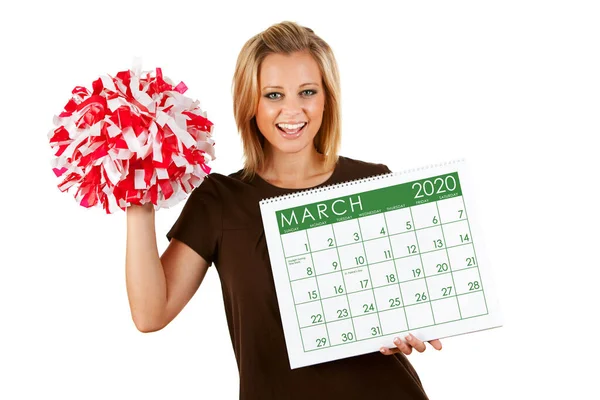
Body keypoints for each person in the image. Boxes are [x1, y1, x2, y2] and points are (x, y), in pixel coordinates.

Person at [125, 21, 442, 400]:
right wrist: (138, 198)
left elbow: (411, 303)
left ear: (327, 98)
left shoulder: (373, 182)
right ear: (250, 104)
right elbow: (150, 314)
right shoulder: (220, 199)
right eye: (273, 95)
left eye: (307, 91)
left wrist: (411, 329)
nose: (292, 110)